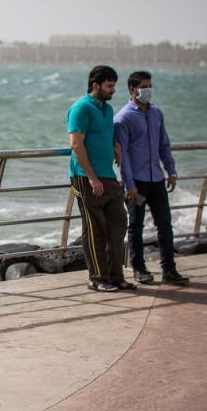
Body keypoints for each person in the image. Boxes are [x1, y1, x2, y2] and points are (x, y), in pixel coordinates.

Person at [114, 71, 189, 285]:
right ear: (132, 89)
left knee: (165, 224)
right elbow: (123, 156)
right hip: (136, 182)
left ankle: (169, 270)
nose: (148, 90)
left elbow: (164, 144)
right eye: (144, 86)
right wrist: (129, 184)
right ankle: (139, 269)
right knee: (135, 227)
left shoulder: (156, 113)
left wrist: (171, 170)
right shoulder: (123, 118)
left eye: (150, 85)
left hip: (157, 179)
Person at [68, 65, 135, 292]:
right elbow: (76, 145)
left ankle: (116, 276)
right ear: (95, 85)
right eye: (109, 85)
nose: (113, 89)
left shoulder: (107, 110)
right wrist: (92, 178)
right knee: (94, 228)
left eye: (114, 85)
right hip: (86, 178)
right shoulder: (81, 108)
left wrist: (116, 145)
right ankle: (97, 278)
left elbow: (106, 135)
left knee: (118, 223)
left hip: (108, 176)